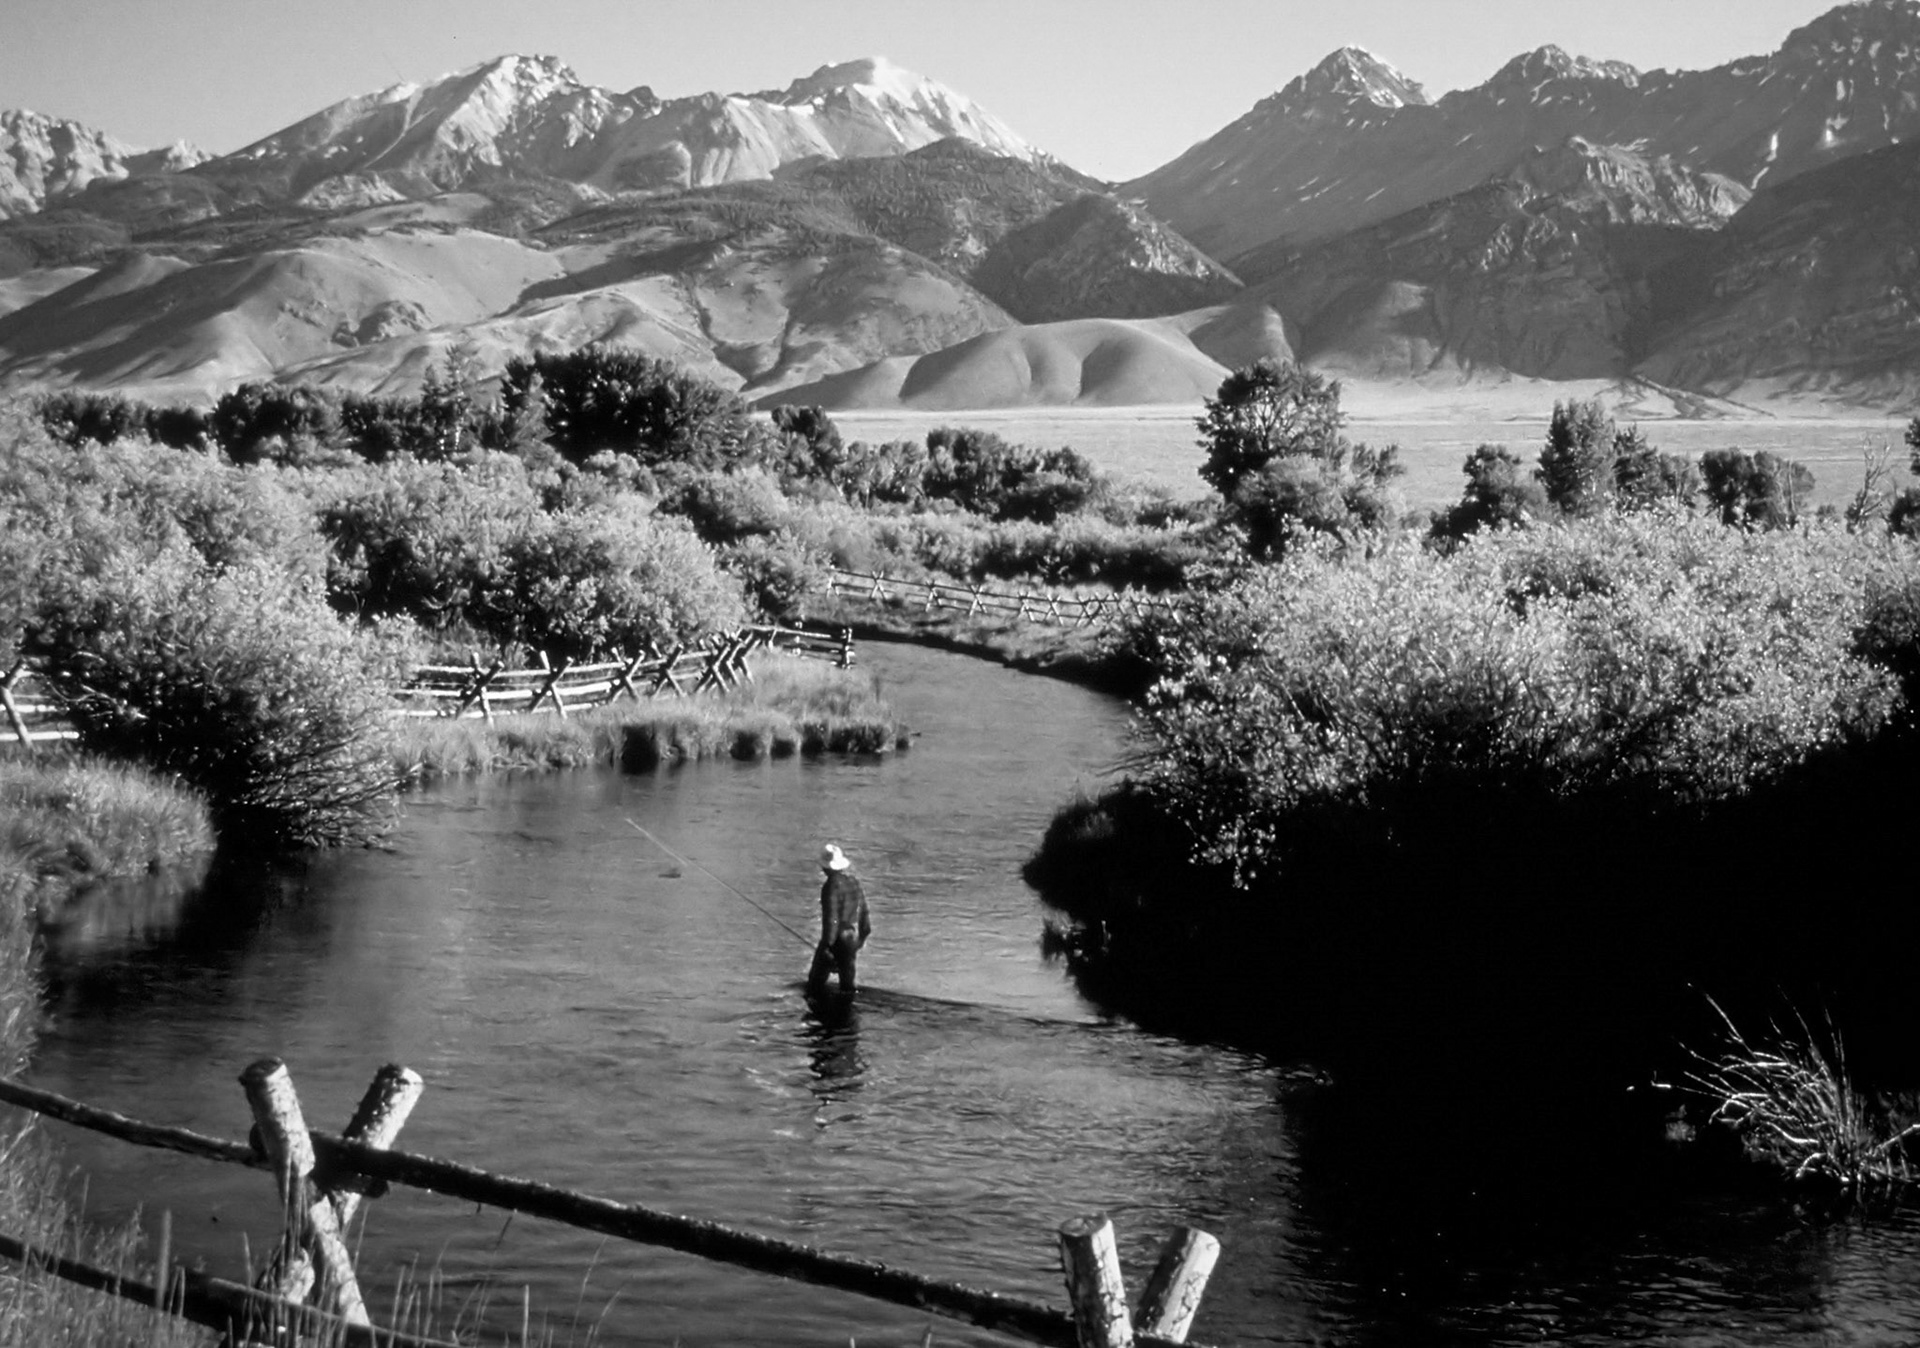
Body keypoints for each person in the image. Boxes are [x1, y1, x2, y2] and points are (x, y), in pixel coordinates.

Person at [806, 842, 870, 997]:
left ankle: (822, 1015)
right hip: (852, 936)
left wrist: (827, 947)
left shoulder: (830, 886)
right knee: (848, 987)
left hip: (837, 937)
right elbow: (864, 912)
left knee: (814, 984)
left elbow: (832, 919)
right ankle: (848, 1016)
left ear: (826, 868)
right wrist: (862, 938)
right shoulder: (854, 882)